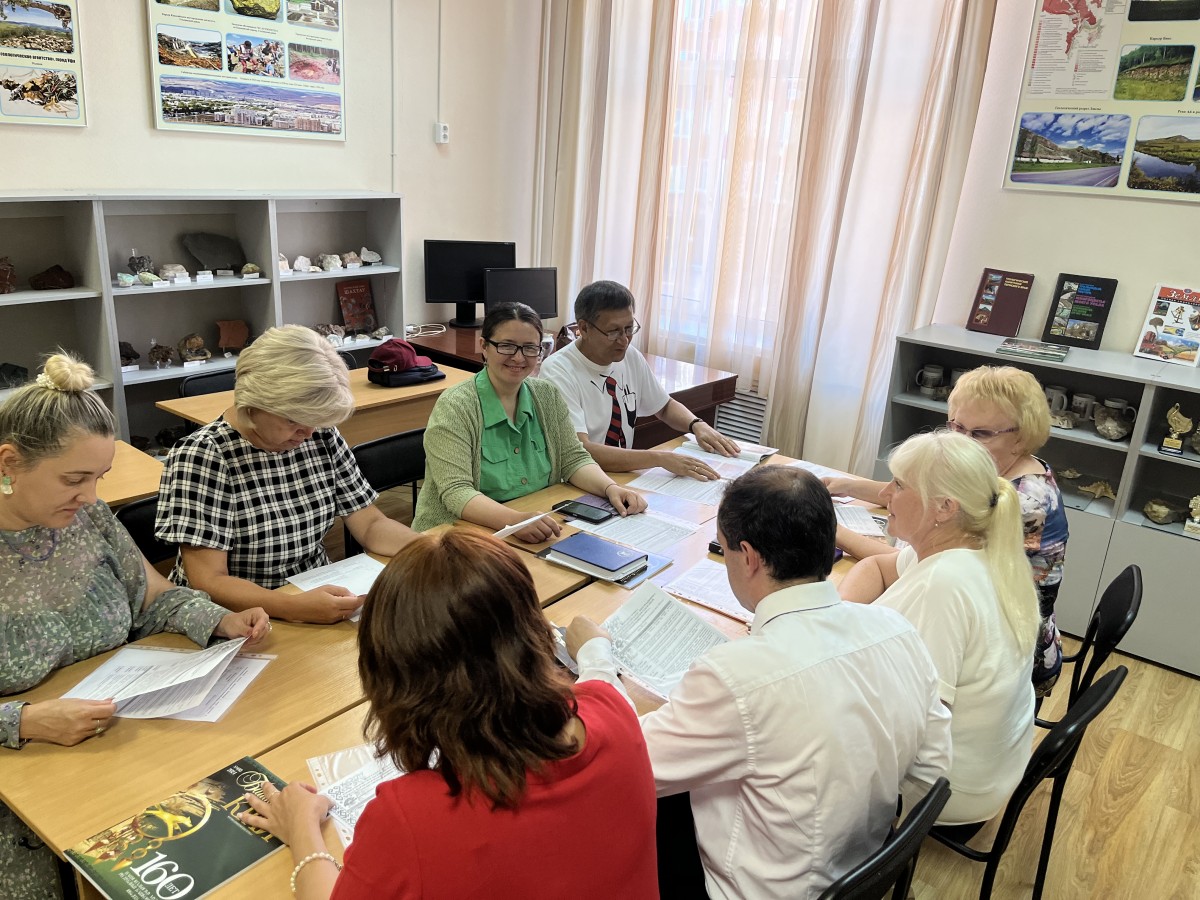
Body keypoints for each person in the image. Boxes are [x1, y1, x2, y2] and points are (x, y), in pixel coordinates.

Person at [568, 466, 951, 899]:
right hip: (863, 868)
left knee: (609, 808)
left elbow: (620, 760)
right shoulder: (897, 629)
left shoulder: (736, 677)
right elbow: (933, 767)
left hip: (756, 889)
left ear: (748, 557)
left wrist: (595, 658)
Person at [241, 530, 658, 900]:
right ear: (537, 634)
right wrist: (595, 651)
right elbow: (600, 682)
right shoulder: (614, 709)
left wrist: (302, 829)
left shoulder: (411, 819)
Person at [0, 353, 269, 900]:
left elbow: (152, 597)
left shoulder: (86, 517)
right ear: (9, 462)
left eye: (98, 478)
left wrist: (218, 619)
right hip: (20, 778)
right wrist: (22, 721)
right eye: (74, 479)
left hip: (112, 741)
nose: (91, 497)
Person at [838, 430, 1040, 825]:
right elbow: (878, 566)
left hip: (946, 791)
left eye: (899, 485)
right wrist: (838, 618)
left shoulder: (944, 584)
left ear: (944, 507)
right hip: (991, 764)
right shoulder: (973, 546)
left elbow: (913, 724)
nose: (885, 494)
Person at [825, 365, 1067, 695]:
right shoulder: (1005, 473)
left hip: (1017, 658)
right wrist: (851, 486)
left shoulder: (1026, 504)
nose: (960, 442)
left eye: (979, 434)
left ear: (1021, 438)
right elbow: (930, 497)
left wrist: (832, 529)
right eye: (956, 427)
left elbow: (907, 561)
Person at [156, 325, 418, 624]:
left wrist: (428, 549)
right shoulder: (203, 456)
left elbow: (370, 524)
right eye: (294, 420)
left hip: (310, 589)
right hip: (236, 616)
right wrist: (293, 607)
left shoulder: (319, 434)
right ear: (252, 405)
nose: (307, 433)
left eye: (314, 420)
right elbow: (210, 580)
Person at [412, 302, 646, 540]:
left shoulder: (546, 395)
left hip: (531, 522)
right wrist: (514, 521)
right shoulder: (456, 406)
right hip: (454, 535)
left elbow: (573, 459)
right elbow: (456, 492)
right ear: (484, 346)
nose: (518, 357)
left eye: (529, 348)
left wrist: (610, 488)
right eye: (506, 346)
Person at [540, 280, 742, 481]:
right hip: (581, 480)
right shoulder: (558, 371)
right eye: (613, 332)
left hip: (621, 475)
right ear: (584, 328)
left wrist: (697, 425)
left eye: (629, 328)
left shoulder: (629, 356)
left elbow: (664, 406)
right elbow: (582, 450)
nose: (624, 340)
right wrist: (658, 458)